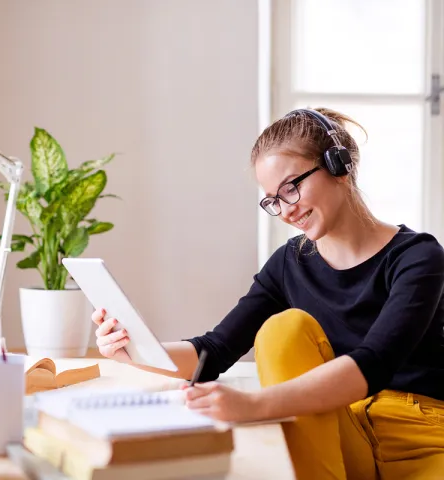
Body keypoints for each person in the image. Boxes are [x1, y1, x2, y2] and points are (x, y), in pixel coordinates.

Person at [91, 107, 444, 480]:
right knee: (283, 330)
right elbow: (213, 351)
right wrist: (132, 349)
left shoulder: (418, 257)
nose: (286, 211)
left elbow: (374, 363)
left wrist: (253, 405)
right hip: (339, 429)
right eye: (273, 199)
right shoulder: (289, 263)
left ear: (339, 166)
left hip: (418, 433)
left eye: (292, 187)